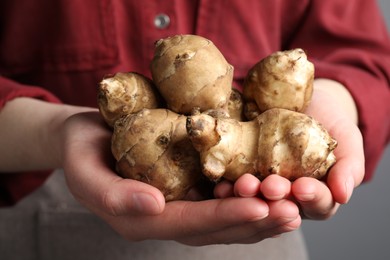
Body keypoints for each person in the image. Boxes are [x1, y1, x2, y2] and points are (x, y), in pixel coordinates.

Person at [0, 0, 389, 259]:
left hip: (260, 220)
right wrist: (54, 131)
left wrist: (334, 102)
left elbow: (365, 58)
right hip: (44, 202)